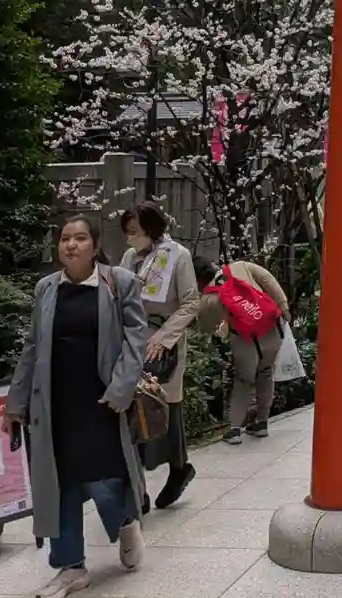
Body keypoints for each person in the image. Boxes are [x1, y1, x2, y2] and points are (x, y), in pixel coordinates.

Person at [5, 217, 148, 598]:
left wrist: (121, 390)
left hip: (103, 402)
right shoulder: (46, 288)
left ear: (95, 246)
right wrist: (16, 402)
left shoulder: (119, 283)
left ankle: (125, 521)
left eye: (80, 238)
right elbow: (33, 346)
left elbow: (136, 340)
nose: (71, 245)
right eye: (65, 238)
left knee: (104, 481)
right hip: (56, 403)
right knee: (62, 484)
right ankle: (70, 566)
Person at [119, 204, 199, 512]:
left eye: (134, 232)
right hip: (133, 338)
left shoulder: (178, 256)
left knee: (164, 407)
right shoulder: (130, 257)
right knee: (131, 408)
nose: (129, 239)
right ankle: (136, 486)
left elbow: (191, 302)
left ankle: (178, 467)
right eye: (127, 232)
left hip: (164, 341)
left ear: (151, 230)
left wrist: (164, 337)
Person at [195, 255, 288, 442]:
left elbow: (207, 327)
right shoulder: (240, 266)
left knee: (243, 381)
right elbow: (268, 280)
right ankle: (261, 423)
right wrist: (283, 306)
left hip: (245, 340)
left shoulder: (207, 300)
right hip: (272, 326)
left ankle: (235, 430)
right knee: (265, 372)